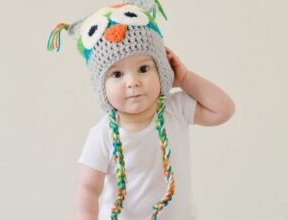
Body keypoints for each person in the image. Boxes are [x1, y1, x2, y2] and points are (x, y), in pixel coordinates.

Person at [47, 1, 235, 219]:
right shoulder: (103, 134)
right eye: (117, 75)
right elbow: (88, 188)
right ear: (101, 86)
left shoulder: (176, 109)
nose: (133, 82)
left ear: (162, 70)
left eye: (144, 69)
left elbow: (223, 110)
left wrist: (185, 79)